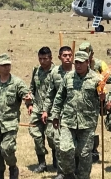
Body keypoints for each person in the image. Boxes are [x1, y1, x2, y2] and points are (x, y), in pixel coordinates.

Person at [51, 51, 104, 179]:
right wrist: (55, 115)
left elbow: (103, 104)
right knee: (64, 149)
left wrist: (103, 98)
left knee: (84, 154)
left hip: (87, 122)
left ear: (87, 63)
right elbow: (59, 97)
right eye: (76, 63)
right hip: (68, 121)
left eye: (81, 63)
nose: (78, 65)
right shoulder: (68, 77)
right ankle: (69, 174)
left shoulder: (97, 80)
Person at [0, 53, 31, 179]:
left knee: (6, 148)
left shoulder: (17, 83)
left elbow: (25, 94)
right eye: (3, 65)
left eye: (8, 65)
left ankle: (13, 168)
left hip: (10, 124)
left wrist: (28, 101)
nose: (6, 67)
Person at [42, 46, 73, 179]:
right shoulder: (55, 73)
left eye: (69, 55)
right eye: (64, 55)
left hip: (76, 114)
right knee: (59, 142)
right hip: (59, 114)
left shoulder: (78, 70)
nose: (67, 57)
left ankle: (74, 170)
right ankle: (61, 172)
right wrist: (45, 110)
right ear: (60, 57)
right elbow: (50, 94)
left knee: (74, 146)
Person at [79, 42, 109, 164]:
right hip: (81, 98)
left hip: (97, 98)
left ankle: (93, 149)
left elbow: (107, 75)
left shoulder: (99, 64)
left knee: (92, 126)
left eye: (87, 54)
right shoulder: (78, 64)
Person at [28, 47, 55, 173]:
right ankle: (42, 163)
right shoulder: (36, 71)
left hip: (52, 110)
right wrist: (30, 103)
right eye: (40, 59)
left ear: (51, 58)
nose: (42, 61)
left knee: (52, 137)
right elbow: (32, 89)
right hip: (37, 109)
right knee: (36, 136)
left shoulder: (56, 72)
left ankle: (56, 160)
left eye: (45, 59)